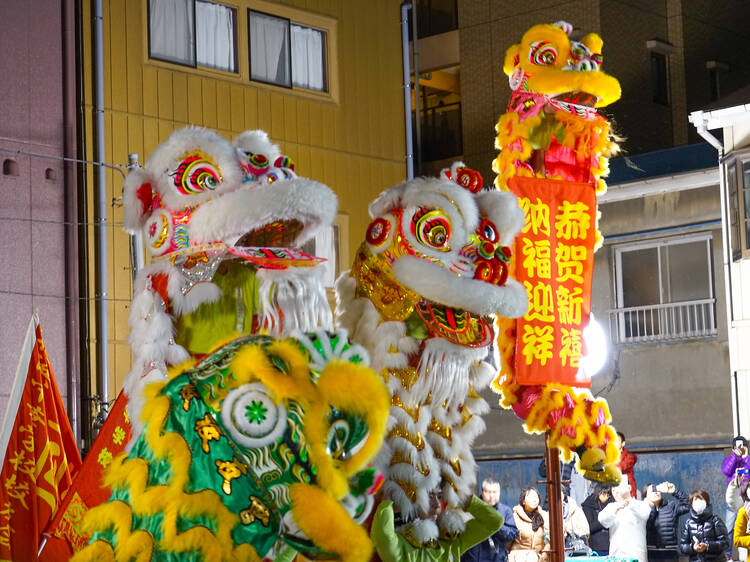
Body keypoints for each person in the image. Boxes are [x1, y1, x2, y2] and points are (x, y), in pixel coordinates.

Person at [371, 491, 503, 561]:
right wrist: (387, 502)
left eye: (440, 496)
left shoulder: (452, 541)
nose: (437, 504)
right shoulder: (405, 545)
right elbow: (384, 537)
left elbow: (494, 521)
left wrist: (464, 498)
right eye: (429, 496)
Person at [462, 478, 519, 562]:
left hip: (496, 558)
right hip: (472, 558)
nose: (491, 496)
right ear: (482, 492)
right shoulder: (471, 509)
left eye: (494, 492)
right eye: (488, 492)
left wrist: (494, 524)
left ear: (499, 493)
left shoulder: (505, 511)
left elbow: (512, 534)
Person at [597, 480, 651, 562]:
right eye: (613, 489)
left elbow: (644, 515)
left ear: (629, 488)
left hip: (636, 556)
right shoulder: (611, 506)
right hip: (616, 556)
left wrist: (628, 501)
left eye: (618, 487)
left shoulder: (641, 505)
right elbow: (602, 520)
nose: (616, 491)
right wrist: (617, 507)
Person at [642, 481, 689, 560]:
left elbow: (688, 505)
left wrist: (674, 491)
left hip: (670, 554)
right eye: (652, 490)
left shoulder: (671, 507)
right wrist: (652, 508)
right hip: (651, 554)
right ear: (645, 496)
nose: (656, 492)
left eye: (657, 489)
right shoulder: (642, 509)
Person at [678, 489, 729, 562]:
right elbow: (683, 546)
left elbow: (725, 542)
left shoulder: (716, 521)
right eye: (695, 500)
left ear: (706, 502)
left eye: (701, 499)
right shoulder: (688, 523)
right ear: (691, 504)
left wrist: (707, 546)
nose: (698, 502)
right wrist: (693, 547)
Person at [722, 436, 750, 553]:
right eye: (737, 446)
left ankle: (746, 553)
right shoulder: (729, 459)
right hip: (733, 498)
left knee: (747, 528)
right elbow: (726, 471)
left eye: (742, 446)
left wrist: (745, 457)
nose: (740, 448)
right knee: (728, 527)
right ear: (733, 447)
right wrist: (735, 456)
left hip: (746, 499)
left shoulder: (748, 459)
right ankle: (727, 554)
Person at [508, 487, 549, 562]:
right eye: (531, 497)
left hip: (539, 558)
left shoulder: (544, 516)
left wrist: (545, 554)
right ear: (523, 501)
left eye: (536, 497)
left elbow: (549, 539)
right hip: (517, 558)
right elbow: (508, 543)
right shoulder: (514, 518)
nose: (534, 500)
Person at [581, 483, 613, 555]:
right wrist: (604, 522)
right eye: (603, 494)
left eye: (608, 495)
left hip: (611, 545)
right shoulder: (588, 505)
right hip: (596, 545)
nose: (606, 497)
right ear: (598, 492)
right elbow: (588, 527)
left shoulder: (612, 504)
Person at [616, 431, 638, 498]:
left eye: (617, 440)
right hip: (615, 490)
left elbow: (622, 467)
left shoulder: (629, 455)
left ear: (623, 443)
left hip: (628, 490)